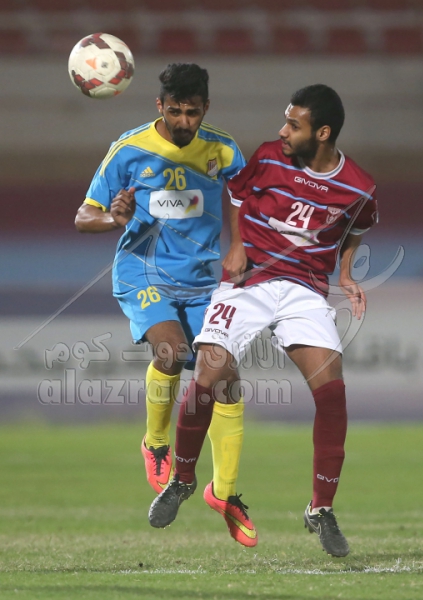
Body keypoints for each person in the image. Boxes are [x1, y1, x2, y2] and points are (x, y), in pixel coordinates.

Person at [148, 84, 378, 558]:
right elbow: (237, 196)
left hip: (304, 290)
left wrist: (346, 273)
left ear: (322, 133)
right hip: (249, 280)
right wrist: (236, 245)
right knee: (208, 372)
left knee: (331, 390)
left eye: (294, 124)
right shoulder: (270, 156)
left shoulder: (359, 186)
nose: (283, 131)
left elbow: (358, 224)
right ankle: (183, 480)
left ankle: (321, 508)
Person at [75, 63, 256, 546]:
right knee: (171, 352)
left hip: (200, 281)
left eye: (192, 113)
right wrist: (113, 220)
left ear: (205, 109)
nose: (183, 122)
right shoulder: (129, 149)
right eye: (174, 111)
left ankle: (225, 493)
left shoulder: (223, 150)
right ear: (159, 106)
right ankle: (156, 444)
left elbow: (244, 199)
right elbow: (84, 216)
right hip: (142, 271)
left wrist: (239, 246)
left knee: (225, 377)